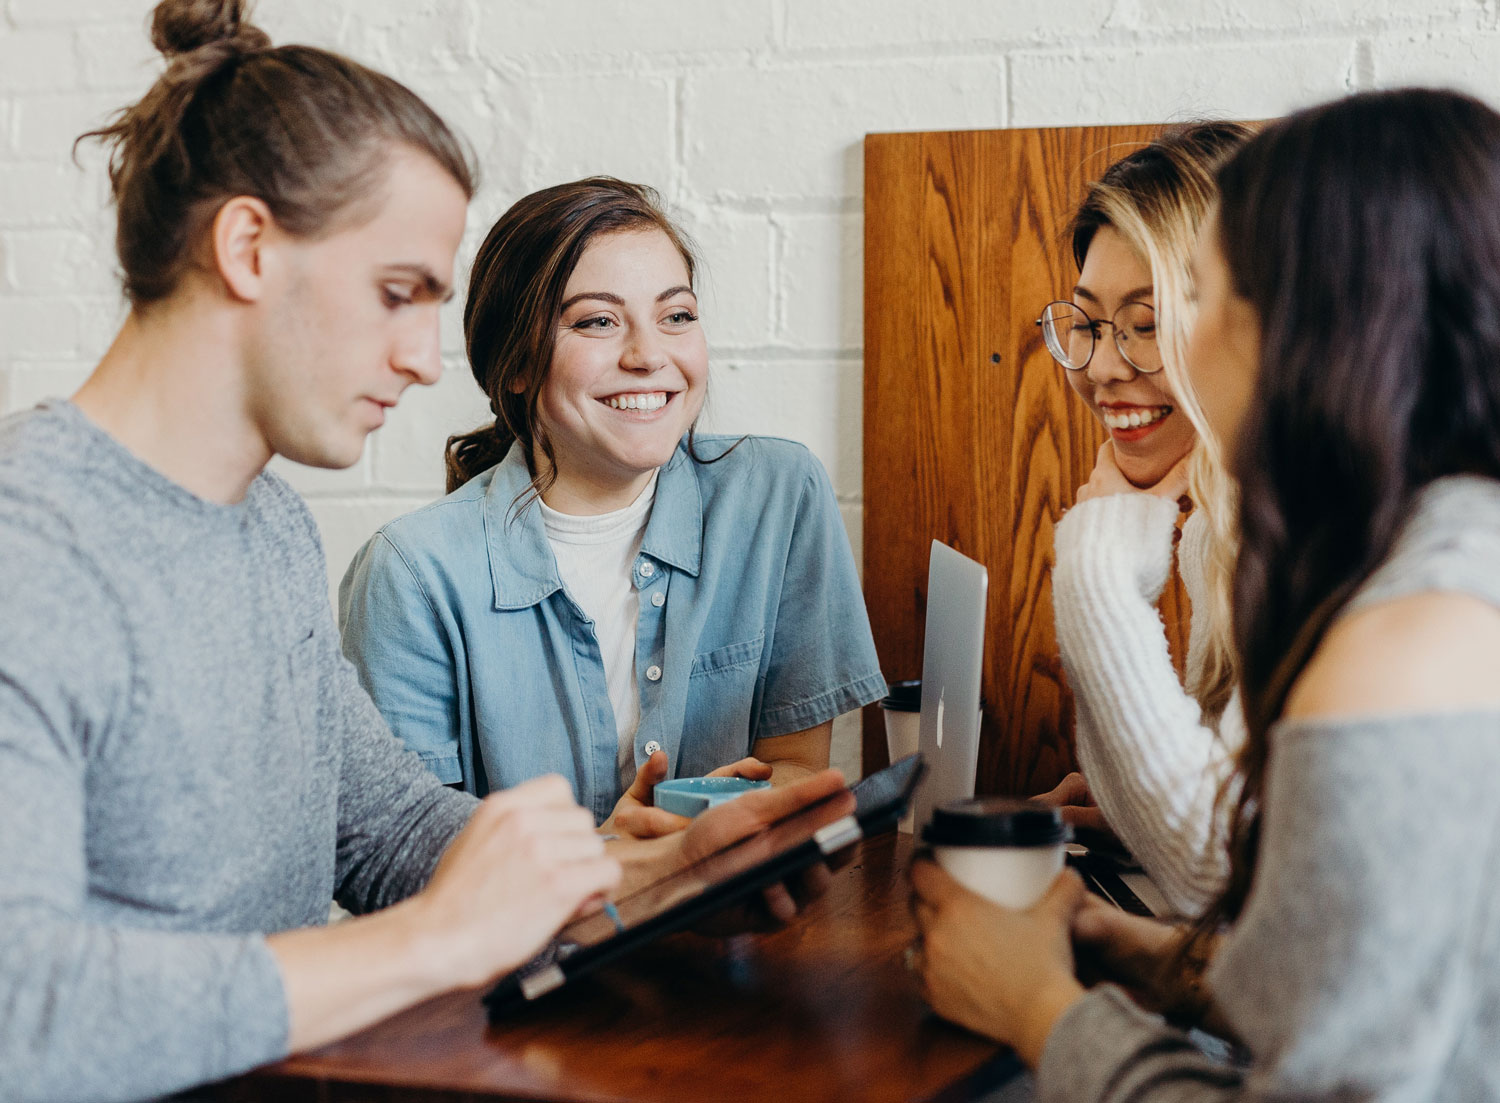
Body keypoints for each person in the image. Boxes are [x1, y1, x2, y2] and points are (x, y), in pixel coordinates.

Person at [0, 5, 848, 1101]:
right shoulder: (32, 548)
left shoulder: (265, 524)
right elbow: (21, 1010)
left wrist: (634, 876)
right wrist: (438, 940)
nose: (418, 357)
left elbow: (390, 828)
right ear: (248, 247)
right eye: (397, 293)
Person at [913, 87, 1500, 1099]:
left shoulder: (1406, 637)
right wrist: (1159, 961)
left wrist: (1038, 1008)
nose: (1112, 365)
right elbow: (1360, 988)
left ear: (1312, 324)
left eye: (1202, 297)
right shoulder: (1434, 556)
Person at [339, 177, 886, 836]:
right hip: (531, 940)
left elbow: (795, 768)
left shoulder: (778, 495)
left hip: (732, 927)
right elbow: (411, 858)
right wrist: (621, 858)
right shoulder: (410, 573)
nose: (649, 355)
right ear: (513, 364)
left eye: (676, 315)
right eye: (597, 320)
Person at [1033, 123, 1251, 916]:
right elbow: (1233, 845)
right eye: (1087, 323)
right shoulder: (1221, 528)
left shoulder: (1318, 536)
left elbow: (1215, 874)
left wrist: (1095, 567)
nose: (1100, 366)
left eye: (1148, 323)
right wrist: (1132, 810)